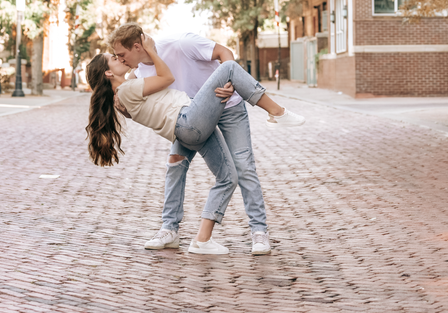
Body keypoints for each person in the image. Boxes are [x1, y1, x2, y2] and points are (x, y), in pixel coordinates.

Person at [86, 34, 304, 254]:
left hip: (224, 107)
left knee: (241, 168)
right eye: (116, 58)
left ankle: (257, 232)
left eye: (121, 55)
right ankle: (170, 229)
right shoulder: (136, 75)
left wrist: (231, 85)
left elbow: (223, 54)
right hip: (190, 117)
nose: (121, 60)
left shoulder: (180, 43)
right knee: (175, 165)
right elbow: (149, 97)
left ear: (136, 47)